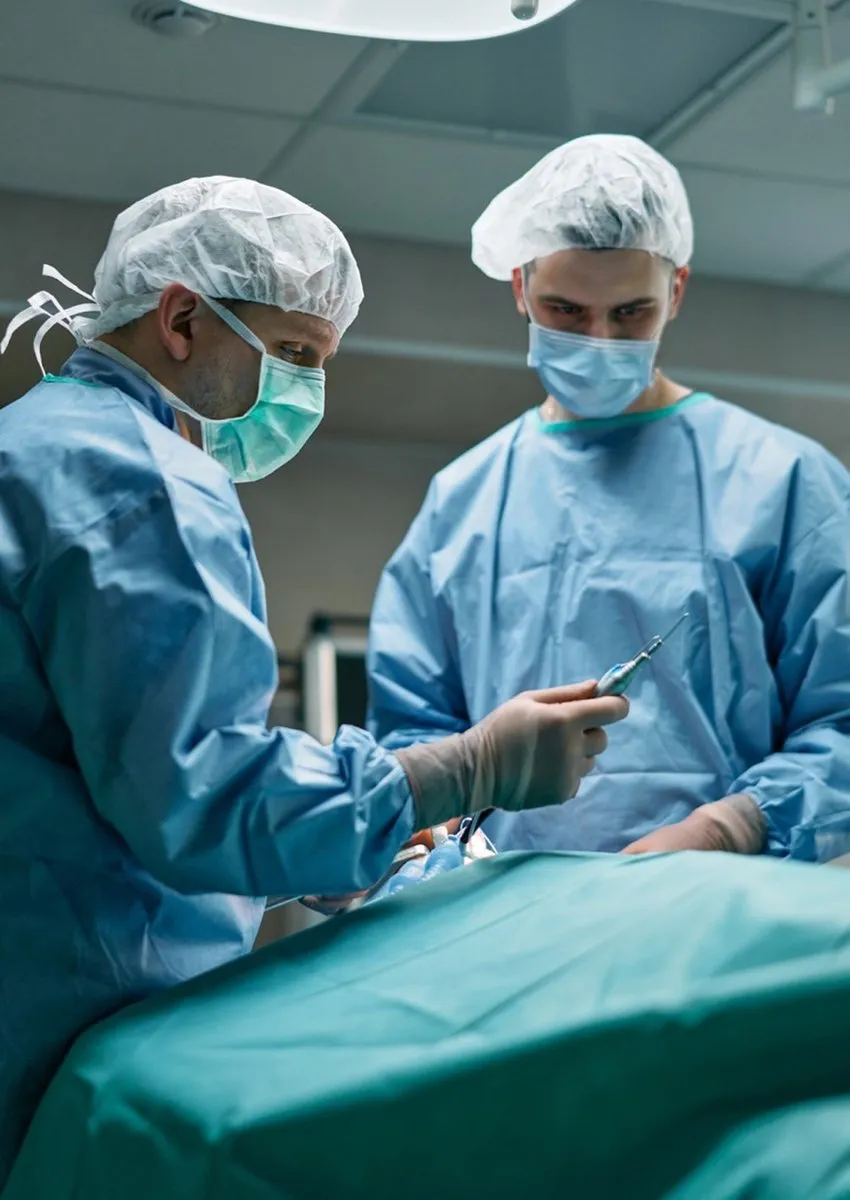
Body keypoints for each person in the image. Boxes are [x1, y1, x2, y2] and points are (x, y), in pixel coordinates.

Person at [0, 176, 629, 1181]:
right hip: (63, 1026)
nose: (306, 393)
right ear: (178, 319)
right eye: (294, 355)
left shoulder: (31, 445)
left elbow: (99, 768)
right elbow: (202, 793)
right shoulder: (139, 482)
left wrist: (335, 853)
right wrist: (466, 768)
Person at [368, 134, 850, 864]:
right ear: (520, 286)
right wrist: (438, 832)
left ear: (677, 291)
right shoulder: (463, 499)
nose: (598, 339)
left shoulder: (783, 481)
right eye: (565, 310)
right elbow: (412, 729)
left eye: (630, 315)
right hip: (497, 911)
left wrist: (734, 827)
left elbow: (841, 719)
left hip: (711, 913)